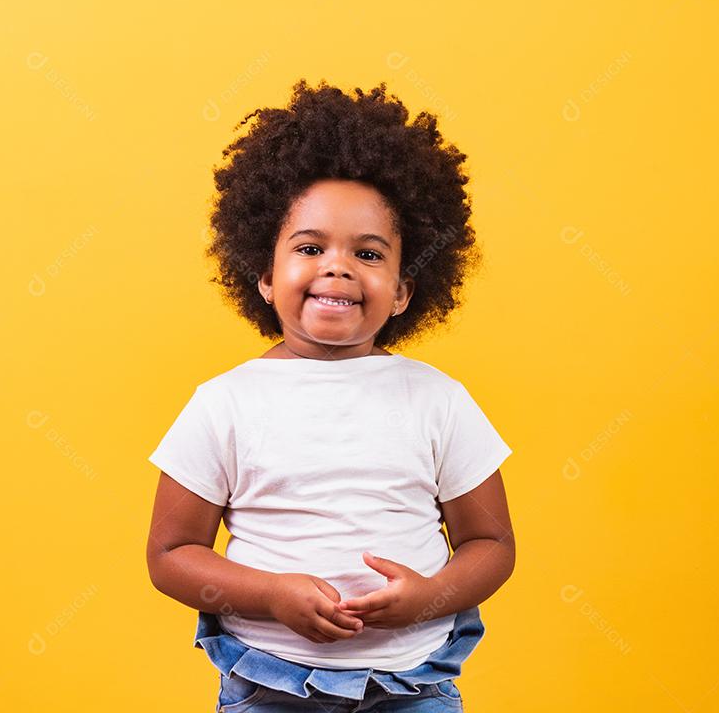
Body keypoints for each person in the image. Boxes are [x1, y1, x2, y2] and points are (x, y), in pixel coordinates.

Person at [147, 79, 515, 711]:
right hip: (269, 683)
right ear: (264, 274)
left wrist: (426, 597)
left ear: (403, 291)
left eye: (368, 253)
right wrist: (270, 595)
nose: (338, 267)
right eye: (310, 247)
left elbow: (492, 546)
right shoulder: (223, 404)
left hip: (412, 682)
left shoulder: (438, 401)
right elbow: (171, 554)